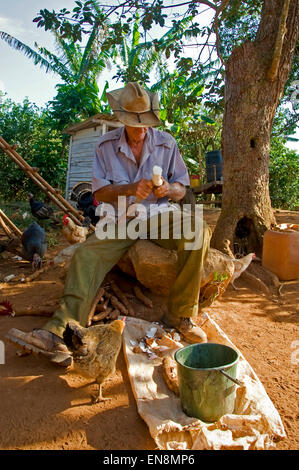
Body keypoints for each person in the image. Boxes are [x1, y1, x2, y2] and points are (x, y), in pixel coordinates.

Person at [7, 82, 211, 366]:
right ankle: (59, 332)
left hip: (158, 214)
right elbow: (100, 193)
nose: (140, 130)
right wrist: (129, 189)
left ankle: (181, 314)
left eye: (144, 124)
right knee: (86, 254)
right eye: (133, 124)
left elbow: (183, 188)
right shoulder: (105, 146)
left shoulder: (166, 143)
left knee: (198, 230)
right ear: (121, 119)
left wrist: (167, 189)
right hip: (120, 218)